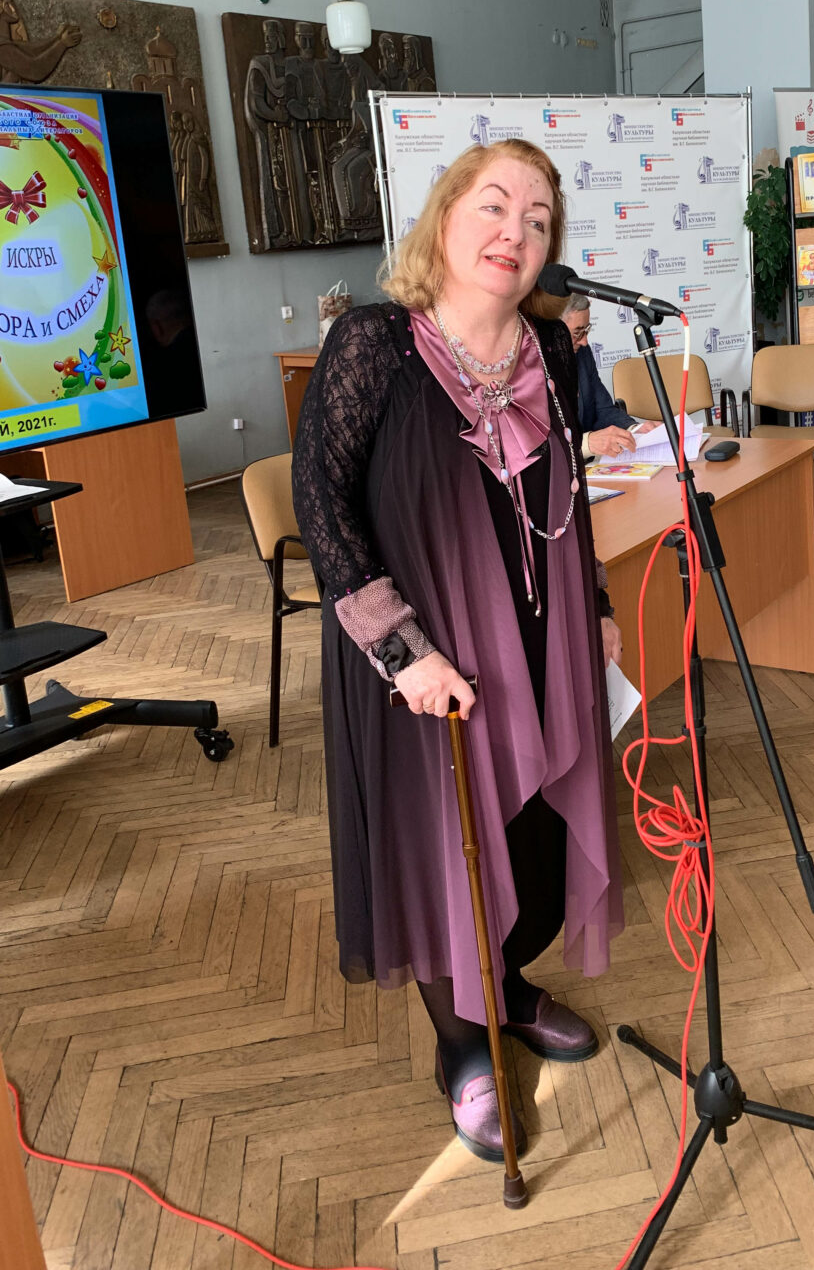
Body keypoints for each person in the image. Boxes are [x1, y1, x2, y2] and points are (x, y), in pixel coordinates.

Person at [292, 138, 625, 1163]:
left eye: (537, 219)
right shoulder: (374, 344)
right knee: (446, 847)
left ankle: (509, 987)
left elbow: (566, 495)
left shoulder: (551, 353)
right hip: (423, 660)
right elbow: (323, 504)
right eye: (493, 206)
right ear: (445, 218)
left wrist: (596, 603)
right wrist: (404, 653)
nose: (514, 232)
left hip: (541, 640)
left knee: (528, 834)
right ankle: (462, 1046)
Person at [560, 293, 657, 460]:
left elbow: (602, 409)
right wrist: (587, 443)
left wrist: (633, 429)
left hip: (586, 466)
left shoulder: (582, 353)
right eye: (577, 333)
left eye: (586, 330)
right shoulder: (530, 367)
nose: (584, 341)